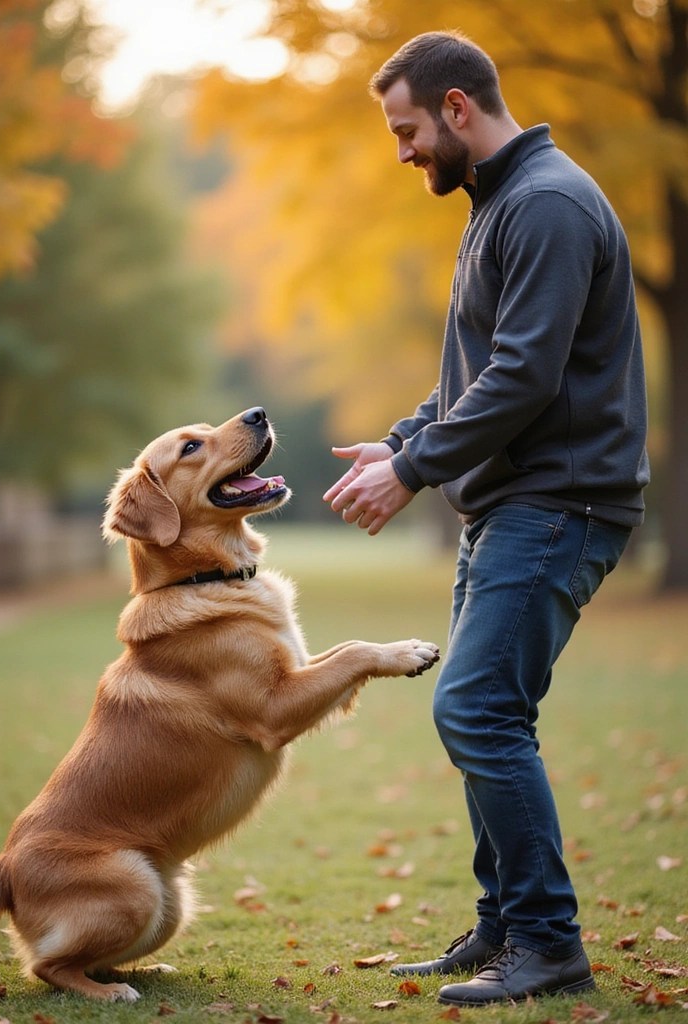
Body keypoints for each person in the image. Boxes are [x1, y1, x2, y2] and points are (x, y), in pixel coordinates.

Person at [323, 30, 649, 1009]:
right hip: (516, 500)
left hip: (559, 501)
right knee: (486, 713)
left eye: (407, 128)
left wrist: (414, 470)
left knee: (473, 709)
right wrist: (403, 438)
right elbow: (478, 371)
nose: (402, 152)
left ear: (457, 107)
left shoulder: (544, 204)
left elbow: (523, 375)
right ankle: (506, 923)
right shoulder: (505, 202)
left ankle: (548, 942)